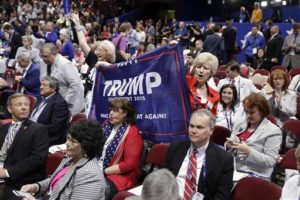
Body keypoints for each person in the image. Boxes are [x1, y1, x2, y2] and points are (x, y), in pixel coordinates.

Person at [21, 120, 106, 200]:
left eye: (73, 141)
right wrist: (37, 187)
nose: (67, 143)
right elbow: (57, 181)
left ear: (86, 147)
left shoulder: (91, 176)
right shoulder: (70, 158)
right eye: (68, 138)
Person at [166, 109, 234, 200]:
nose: (193, 131)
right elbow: (164, 178)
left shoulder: (224, 159)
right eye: (191, 126)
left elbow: (222, 196)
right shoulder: (176, 147)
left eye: (199, 127)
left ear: (211, 130)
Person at [0, 93, 48, 199]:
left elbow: (37, 158)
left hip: (18, 180)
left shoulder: (38, 129)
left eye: (26, 104)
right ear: (9, 108)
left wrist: (7, 172)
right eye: (19, 104)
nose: (24, 107)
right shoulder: (4, 127)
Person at [225, 93, 282, 180]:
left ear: (262, 111)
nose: (248, 115)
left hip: (257, 175)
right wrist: (229, 146)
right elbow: (232, 147)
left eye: (252, 112)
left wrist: (248, 151)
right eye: (246, 111)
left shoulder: (273, 131)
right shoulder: (241, 123)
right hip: (235, 171)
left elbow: (270, 161)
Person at [99, 98, 143, 200]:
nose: (110, 113)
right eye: (111, 110)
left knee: (93, 188)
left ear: (125, 113)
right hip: (101, 167)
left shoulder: (132, 133)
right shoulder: (108, 126)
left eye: (115, 110)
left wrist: (103, 171)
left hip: (121, 176)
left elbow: (129, 164)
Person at [39, 43, 84, 116]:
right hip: (52, 103)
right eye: (42, 56)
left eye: (46, 56)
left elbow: (75, 84)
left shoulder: (65, 64)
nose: (44, 59)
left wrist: (64, 103)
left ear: (54, 53)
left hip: (68, 104)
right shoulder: (43, 63)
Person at [30, 76, 70, 146]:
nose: (41, 87)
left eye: (44, 85)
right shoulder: (40, 97)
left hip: (47, 136)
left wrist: (34, 129)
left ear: (53, 88)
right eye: (41, 84)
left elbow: (55, 127)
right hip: (33, 129)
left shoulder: (60, 103)